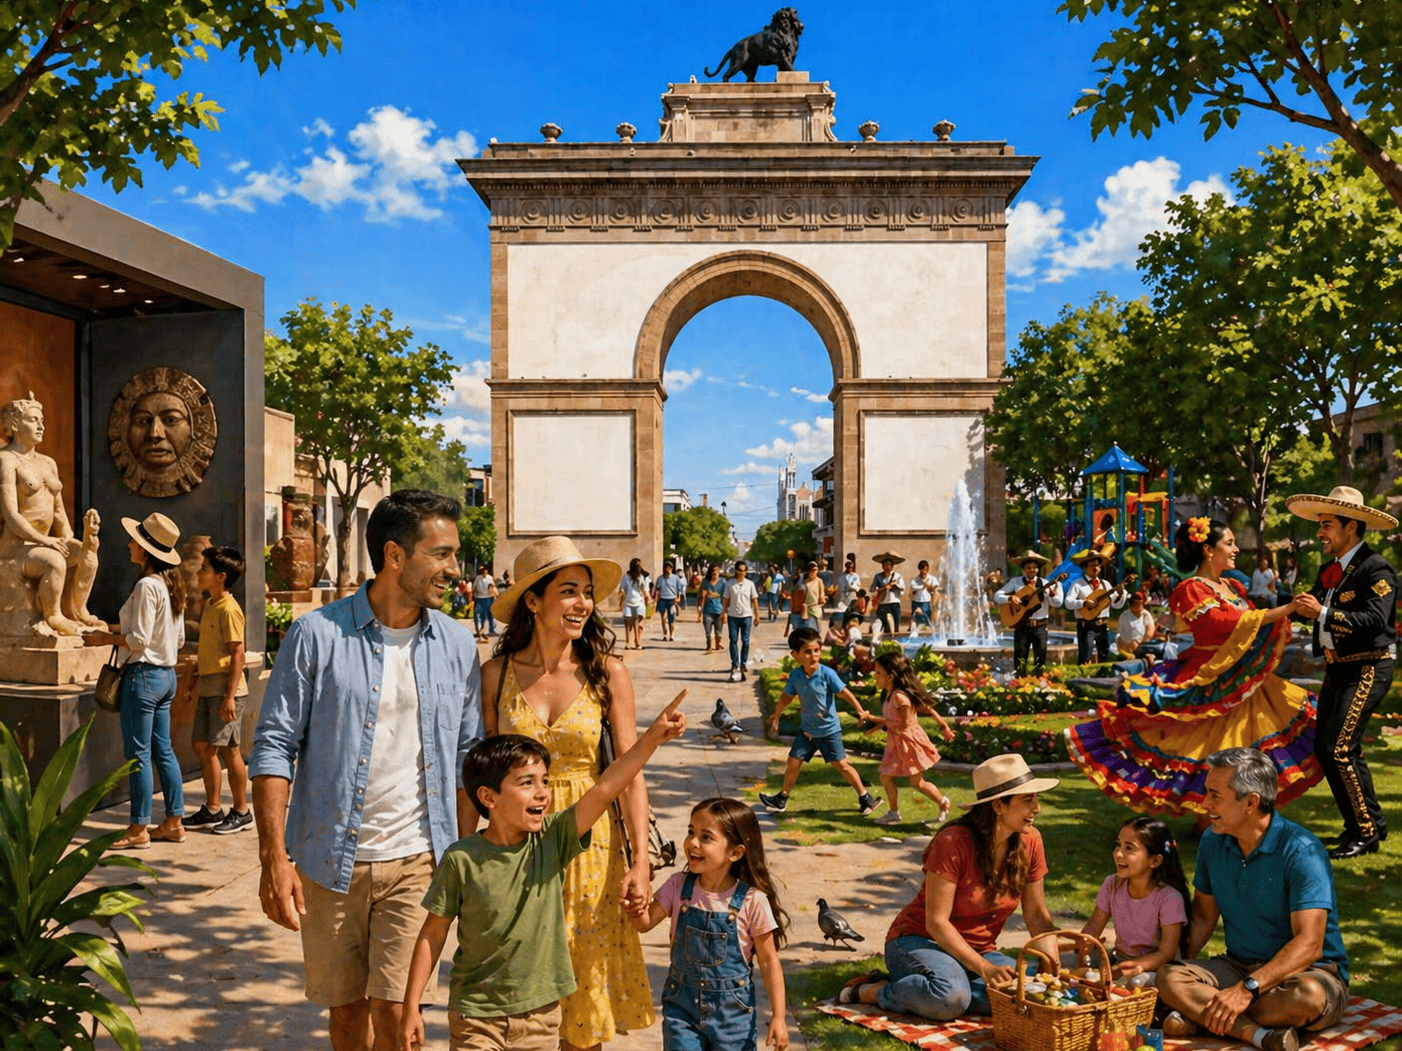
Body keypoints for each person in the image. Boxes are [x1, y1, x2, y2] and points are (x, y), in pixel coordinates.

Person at [250, 490, 481, 1051]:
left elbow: (467, 757)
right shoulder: (316, 636)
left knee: (399, 1013)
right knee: (348, 1012)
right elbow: (274, 746)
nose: (455, 568)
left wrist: (462, 858)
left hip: (419, 860)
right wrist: (273, 859)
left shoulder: (455, 642)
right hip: (330, 861)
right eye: (442, 553)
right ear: (396, 556)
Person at [398, 697, 687, 1051]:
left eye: (545, 781)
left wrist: (650, 741)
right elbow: (432, 933)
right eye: (527, 783)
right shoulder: (461, 860)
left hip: (541, 1018)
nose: (543, 794)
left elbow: (606, 788)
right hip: (476, 1015)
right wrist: (412, 1005)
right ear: (488, 797)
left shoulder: (552, 841)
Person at [480, 536, 657, 1050]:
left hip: (591, 847)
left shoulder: (607, 672)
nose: (583, 604)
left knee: (583, 999)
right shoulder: (497, 675)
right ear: (533, 600)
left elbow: (629, 770)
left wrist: (641, 859)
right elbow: (484, 772)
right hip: (519, 847)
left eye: (587, 593)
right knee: (518, 994)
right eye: (568, 591)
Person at [1065, 518, 1321, 817]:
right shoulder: (1192, 589)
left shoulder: (1232, 586)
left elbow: (1250, 625)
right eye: (1229, 543)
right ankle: (1215, 817)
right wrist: (1287, 609)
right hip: (1209, 675)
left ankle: (1238, 815)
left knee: (1261, 741)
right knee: (1209, 751)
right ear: (1209, 550)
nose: (1236, 548)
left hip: (1242, 676)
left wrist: (1284, 612)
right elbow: (1225, 624)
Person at [1156, 749, 1350, 1051]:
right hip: (1237, 966)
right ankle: (1258, 1035)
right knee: (1169, 977)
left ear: (1250, 802)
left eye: (1214, 796)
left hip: (1304, 975)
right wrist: (1175, 964)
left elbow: (1310, 944)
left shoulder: (1302, 851)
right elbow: (1204, 918)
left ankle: (1203, 1017)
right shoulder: (1212, 841)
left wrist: (1246, 990)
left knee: (1308, 997)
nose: (1205, 805)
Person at [839, 754, 1058, 1019]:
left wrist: (1051, 963)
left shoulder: (1031, 841)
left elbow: (1036, 914)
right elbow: (936, 923)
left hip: (977, 950)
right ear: (998, 806)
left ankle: (940, 989)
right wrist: (984, 969)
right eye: (1028, 800)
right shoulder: (953, 842)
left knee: (1027, 994)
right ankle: (876, 991)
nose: (1038, 809)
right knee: (951, 998)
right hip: (919, 941)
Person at [1286, 485, 1399, 859]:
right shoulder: (1329, 569)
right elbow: (1318, 612)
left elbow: (1374, 620)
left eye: (1327, 525)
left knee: (1338, 748)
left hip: (1370, 665)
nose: (1319, 533)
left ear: (1351, 527)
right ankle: (1366, 824)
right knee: (1327, 748)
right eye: (1320, 525)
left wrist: (1319, 612)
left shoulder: (1376, 567)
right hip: (1339, 667)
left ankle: (1365, 833)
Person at [630, 798, 790, 1051]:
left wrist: (779, 1017)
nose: (693, 843)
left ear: (735, 853)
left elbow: (769, 961)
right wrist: (634, 901)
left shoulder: (752, 901)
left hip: (732, 1017)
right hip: (681, 1009)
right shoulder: (677, 886)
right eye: (691, 832)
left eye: (706, 837)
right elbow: (644, 923)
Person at [83, 513, 188, 851]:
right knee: (164, 750)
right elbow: (178, 638)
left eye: (135, 541)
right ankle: (173, 820)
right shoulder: (172, 587)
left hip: (143, 677)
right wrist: (114, 630)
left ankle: (139, 828)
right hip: (166, 677)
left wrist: (103, 640)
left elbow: (139, 640)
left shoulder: (146, 586)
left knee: (139, 756)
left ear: (146, 551)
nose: (129, 544)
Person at [758, 627, 879, 817]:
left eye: (817, 650)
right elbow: (786, 697)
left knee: (842, 766)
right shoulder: (796, 676)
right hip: (807, 731)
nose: (814, 655)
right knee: (793, 762)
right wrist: (776, 715)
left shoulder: (827, 674)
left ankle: (865, 797)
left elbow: (844, 692)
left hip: (828, 731)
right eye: (807, 651)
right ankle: (782, 798)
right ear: (795, 655)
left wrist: (859, 710)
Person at [183, 545, 252, 835]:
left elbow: (238, 654)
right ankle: (212, 808)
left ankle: (241, 811)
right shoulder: (210, 605)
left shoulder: (229, 609)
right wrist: (193, 682)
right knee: (202, 746)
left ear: (221, 576)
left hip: (227, 690)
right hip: (208, 686)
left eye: (204, 569)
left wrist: (229, 696)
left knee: (229, 751)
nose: (199, 573)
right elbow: (209, 652)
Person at [1077, 816, 1189, 988]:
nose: (1118, 853)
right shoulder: (1112, 884)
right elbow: (1093, 927)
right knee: (1076, 968)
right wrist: (1084, 953)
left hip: (1155, 968)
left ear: (1155, 860)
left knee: (1135, 983)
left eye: (1129, 848)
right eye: (1118, 844)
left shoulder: (1169, 898)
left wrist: (1133, 968)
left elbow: (1167, 952)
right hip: (1120, 960)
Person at [858, 652, 955, 827]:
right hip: (898, 742)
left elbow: (902, 724)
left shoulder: (899, 697)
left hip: (907, 743)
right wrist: (875, 723)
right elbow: (918, 712)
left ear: (891, 676)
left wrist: (873, 719)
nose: (875, 676)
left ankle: (942, 803)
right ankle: (895, 812)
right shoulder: (893, 694)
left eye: (878, 673)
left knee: (915, 782)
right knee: (890, 777)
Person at [993, 551, 1063, 674]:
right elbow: (997, 596)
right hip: (1022, 625)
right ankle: (1019, 683)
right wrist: (1010, 598)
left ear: (1038, 569)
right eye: (1028, 568)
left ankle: (1039, 685)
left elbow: (1057, 603)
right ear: (1023, 569)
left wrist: (1050, 595)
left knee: (1040, 658)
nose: (1032, 570)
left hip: (1040, 626)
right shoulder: (1015, 582)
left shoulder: (1045, 584)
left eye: (1035, 567)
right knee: (1020, 657)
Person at [1063, 549, 1128, 664]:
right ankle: (1082, 680)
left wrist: (1121, 594)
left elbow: (1116, 605)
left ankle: (1103, 679)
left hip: (1103, 625)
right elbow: (1068, 602)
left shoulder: (1106, 584)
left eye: (1097, 565)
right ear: (1085, 567)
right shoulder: (1078, 584)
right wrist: (1083, 603)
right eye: (1091, 565)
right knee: (1085, 657)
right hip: (1085, 625)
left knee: (1105, 656)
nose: (1095, 568)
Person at [723, 559, 760, 682]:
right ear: (736, 571)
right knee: (733, 640)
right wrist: (723, 613)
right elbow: (726, 600)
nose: (742, 573)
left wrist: (757, 615)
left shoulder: (750, 584)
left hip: (746, 616)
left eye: (744, 571)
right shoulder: (730, 584)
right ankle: (735, 663)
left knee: (746, 641)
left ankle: (743, 663)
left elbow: (754, 600)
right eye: (740, 570)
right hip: (733, 616)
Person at [1114, 590, 1161, 667]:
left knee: (1135, 644)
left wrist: (1142, 644)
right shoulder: (1125, 615)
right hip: (1126, 645)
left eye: (1140, 604)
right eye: (1136, 604)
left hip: (1142, 643)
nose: (1138, 606)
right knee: (1131, 643)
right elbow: (1120, 634)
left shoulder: (1145, 614)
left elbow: (1150, 631)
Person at [618, 557, 651, 651]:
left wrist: (647, 598)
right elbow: (622, 589)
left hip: (638, 602)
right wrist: (620, 600)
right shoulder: (626, 576)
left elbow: (643, 589)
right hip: (628, 603)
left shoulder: (640, 577)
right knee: (628, 624)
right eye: (638, 565)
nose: (639, 567)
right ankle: (628, 642)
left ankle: (637, 642)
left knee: (637, 622)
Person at [871, 553, 905, 635]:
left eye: (890, 564)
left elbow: (903, 588)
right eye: (886, 564)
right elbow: (872, 588)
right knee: (884, 624)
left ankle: (895, 640)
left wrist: (894, 585)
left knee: (895, 624)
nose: (888, 566)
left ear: (892, 566)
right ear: (883, 566)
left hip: (894, 603)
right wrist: (882, 589)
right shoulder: (878, 576)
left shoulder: (897, 576)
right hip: (883, 603)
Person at [654, 560, 685, 642]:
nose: (667, 570)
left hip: (672, 600)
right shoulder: (660, 578)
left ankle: (671, 635)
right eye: (666, 568)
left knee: (671, 619)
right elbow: (657, 589)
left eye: (669, 568)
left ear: (671, 569)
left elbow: (679, 589)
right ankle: (665, 634)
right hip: (662, 600)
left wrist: (678, 598)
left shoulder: (675, 578)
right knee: (663, 617)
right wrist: (655, 599)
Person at [698, 564, 725, 654]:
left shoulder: (723, 582)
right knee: (708, 632)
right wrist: (699, 612)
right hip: (708, 611)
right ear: (710, 572)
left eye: (717, 570)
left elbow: (726, 597)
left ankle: (718, 644)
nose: (715, 573)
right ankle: (709, 646)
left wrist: (725, 611)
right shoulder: (706, 582)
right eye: (713, 571)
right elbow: (702, 598)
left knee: (718, 633)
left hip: (719, 611)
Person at [909, 560, 938, 635]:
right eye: (923, 570)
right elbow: (913, 588)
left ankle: (927, 635)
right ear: (920, 569)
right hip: (916, 602)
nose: (924, 572)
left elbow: (935, 588)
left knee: (926, 619)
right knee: (915, 619)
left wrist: (929, 586)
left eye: (926, 570)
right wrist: (922, 585)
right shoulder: (915, 580)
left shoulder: (931, 578)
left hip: (926, 602)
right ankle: (914, 634)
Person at [471, 563, 497, 639]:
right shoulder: (478, 578)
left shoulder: (490, 578)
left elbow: (493, 587)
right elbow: (474, 588)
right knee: (478, 614)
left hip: (488, 598)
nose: (483, 571)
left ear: (487, 570)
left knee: (490, 615)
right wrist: (471, 597)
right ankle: (479, 632)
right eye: (481, 570)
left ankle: (491, 631)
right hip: (479, 599)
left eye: (484, 570)